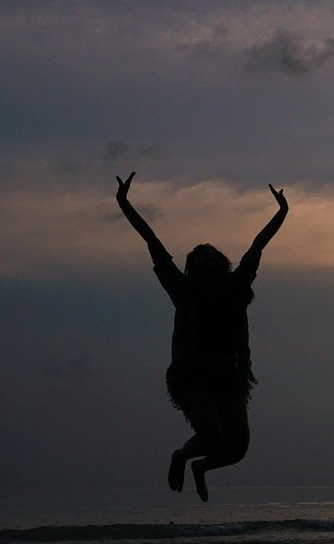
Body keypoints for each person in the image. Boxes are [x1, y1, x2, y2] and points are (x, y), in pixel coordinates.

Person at [115, 172, 288, 501]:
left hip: (228, 373)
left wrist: (282, 212)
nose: (207, 261)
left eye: (211, 257)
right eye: (199, 259)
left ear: (222, 263)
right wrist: (124, 204)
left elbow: (258, 246)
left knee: (238, 447)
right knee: (211, 435)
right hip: (191, 374)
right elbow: (153, 244)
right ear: (192, 268)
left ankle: (201, 468)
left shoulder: (236, 285)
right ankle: (181, 456)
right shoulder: (183, 289)